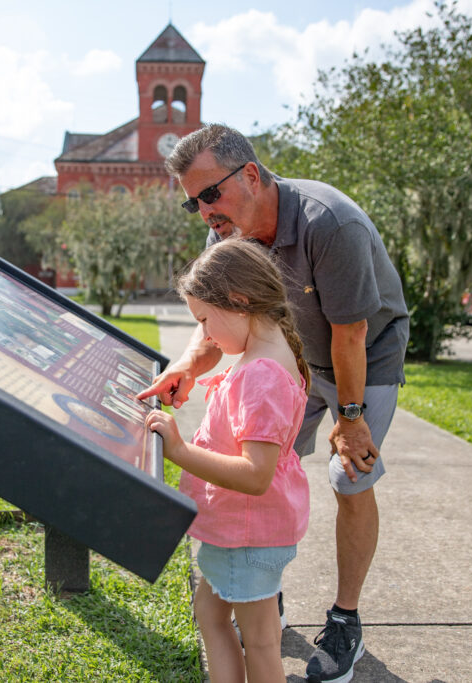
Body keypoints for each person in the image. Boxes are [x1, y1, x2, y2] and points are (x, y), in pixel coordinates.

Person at [137, 123, 409, 683]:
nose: (205, 211)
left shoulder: (329, 223)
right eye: (194, 203)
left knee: (350, 480)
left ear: (252, 175)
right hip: (293, 359)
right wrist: (187, 367)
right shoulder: (226, 236)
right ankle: (262, 589)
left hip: (363, 356)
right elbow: (212, 319)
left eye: (211, 193)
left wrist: (351, 419)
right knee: (274, 461)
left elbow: (350, 333)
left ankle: (345, 619)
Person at [145, 238, 310, 683]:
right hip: (246, 531)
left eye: (204, 321)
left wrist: (180, 450)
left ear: (238, 302)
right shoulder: (269, 354)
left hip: (247, 533)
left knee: (259, 641)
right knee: (211, 615)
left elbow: (256, 475)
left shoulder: (261, 374)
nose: (205, 337)